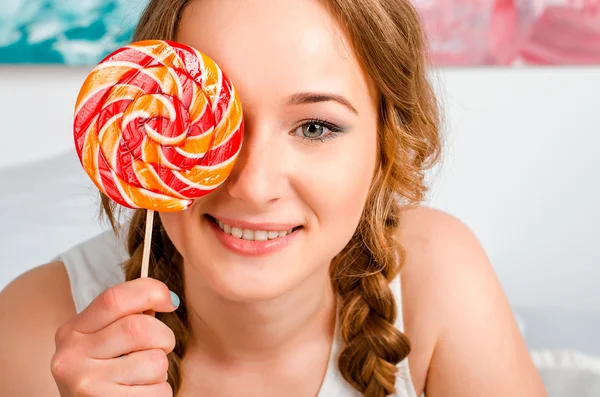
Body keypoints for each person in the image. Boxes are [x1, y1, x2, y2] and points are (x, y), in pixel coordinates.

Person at [0, 0, 548, 396]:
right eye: (211, 120)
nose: (254, 186)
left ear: (385, 146)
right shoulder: (33, 331)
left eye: (314, 127)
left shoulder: (438, 276)